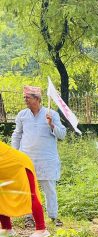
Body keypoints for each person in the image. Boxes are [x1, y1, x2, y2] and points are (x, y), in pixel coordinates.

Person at [12, 86, 66, 227]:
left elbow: (62, 135)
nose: (25, 100)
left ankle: (53, 217)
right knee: (29, 190)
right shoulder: (22, 115)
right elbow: (17, 135)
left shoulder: (51, 114)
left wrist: (51, 124)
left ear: (37, 99)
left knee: (49, 189)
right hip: (27, 159)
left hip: (47, 160)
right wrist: (14, 153)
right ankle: (29, 217)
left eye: (27, 98)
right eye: (24, 97)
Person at [0, 142, 50, 237]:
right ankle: (7, 229)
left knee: (31, 195)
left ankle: (41, 230)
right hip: (4, 170)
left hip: (19, 164)